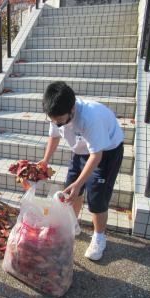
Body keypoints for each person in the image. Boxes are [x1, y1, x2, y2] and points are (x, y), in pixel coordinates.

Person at [39, 81, 124, 261]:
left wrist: (79, 184)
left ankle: (99, 237)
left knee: (96, 197)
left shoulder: (90, 118)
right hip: (81, 150)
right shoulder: (56, 114)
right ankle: (73, 225)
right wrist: (45, 161)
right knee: (70, 191)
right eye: (54, 120)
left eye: (61, 121)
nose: (57, 124)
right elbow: (54, 136)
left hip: (106, 152)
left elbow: (96, 156)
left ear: (72, 109)